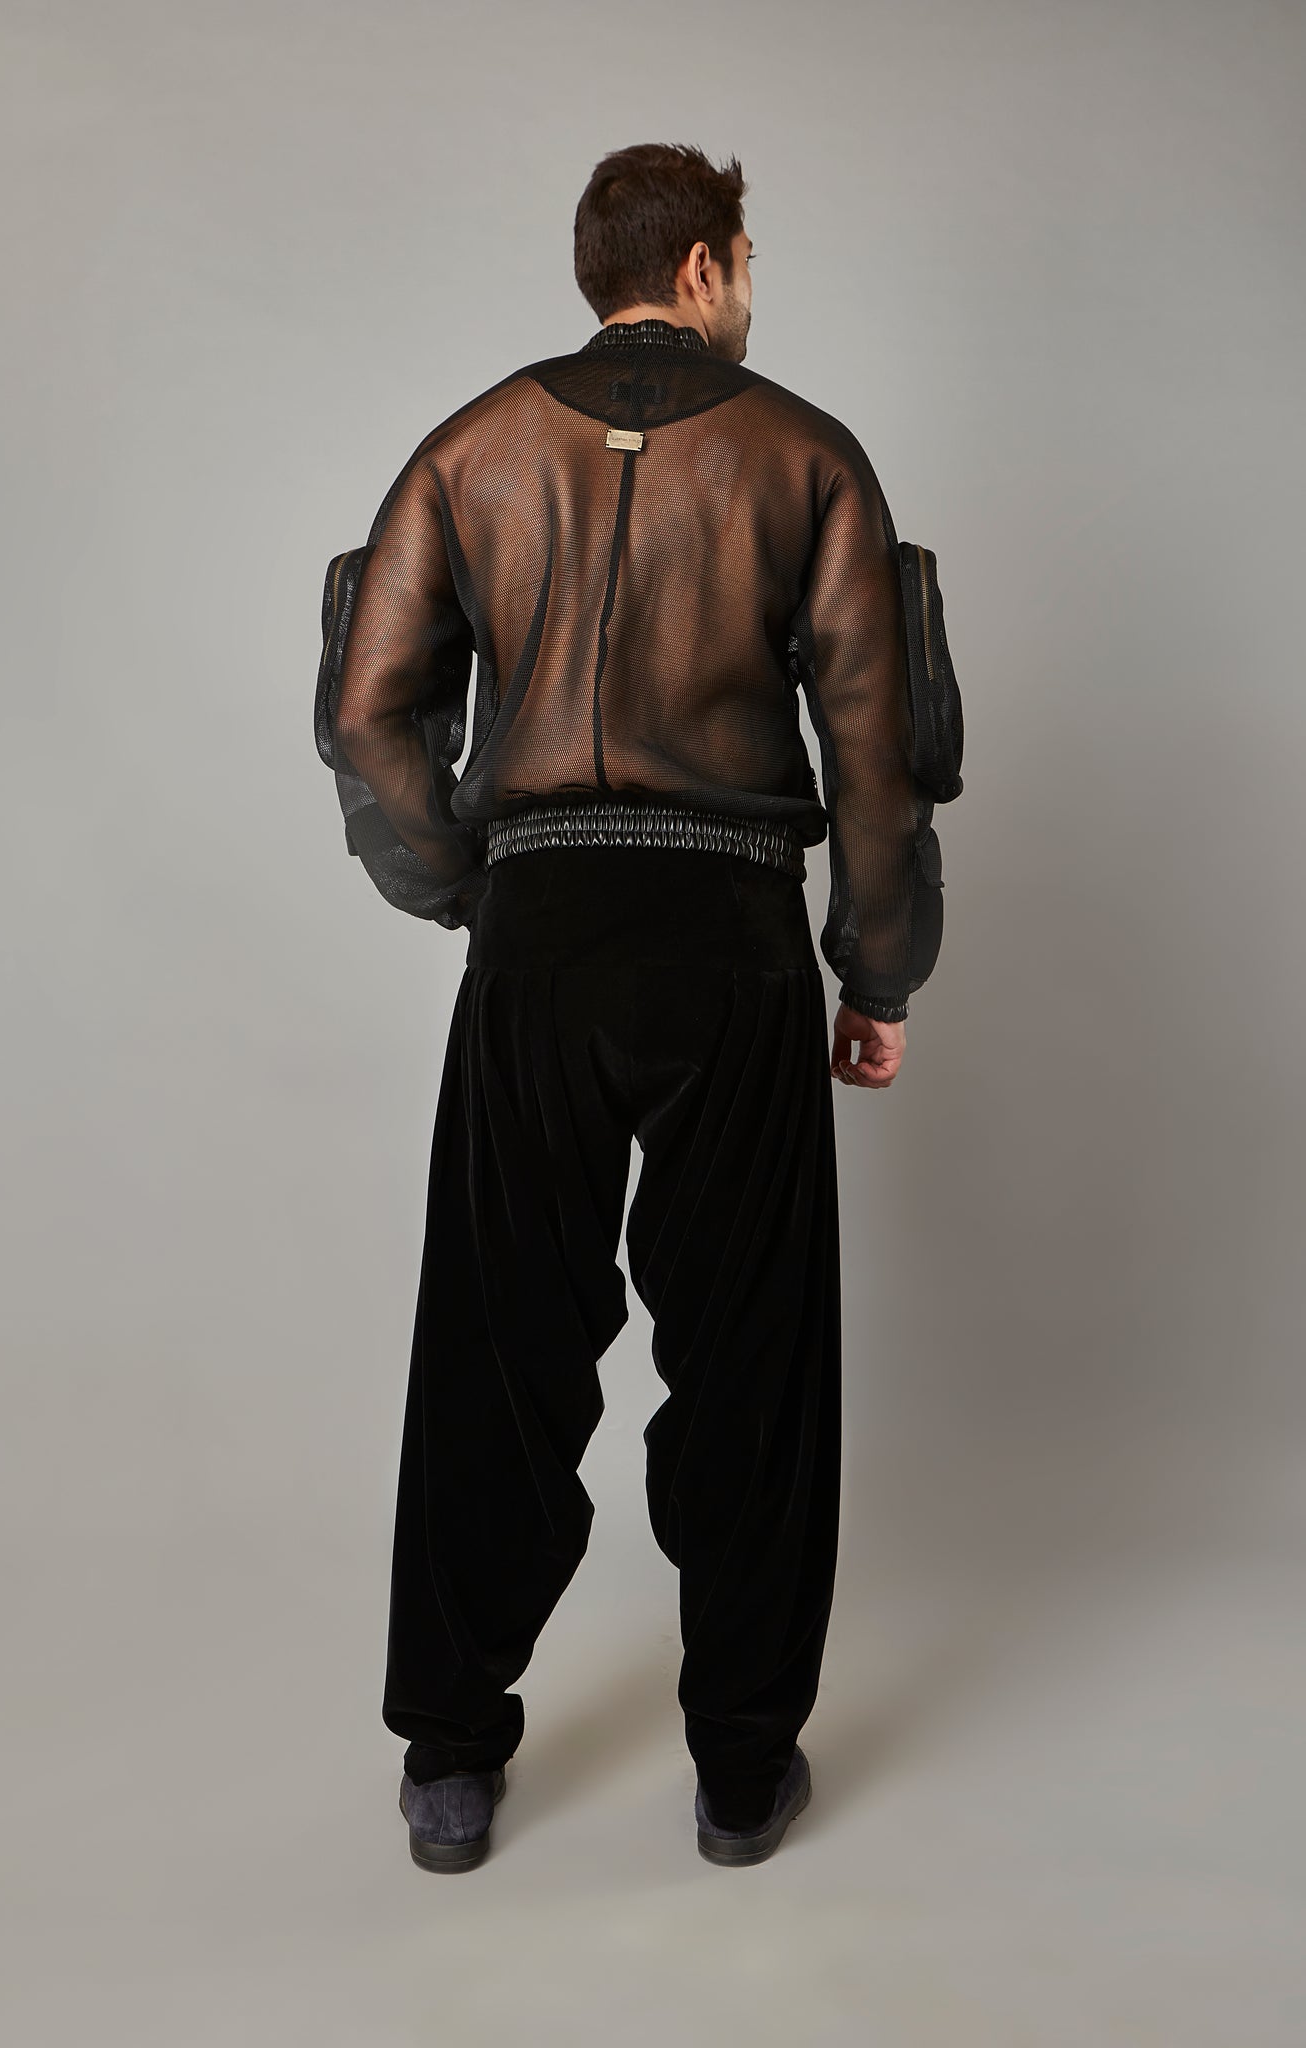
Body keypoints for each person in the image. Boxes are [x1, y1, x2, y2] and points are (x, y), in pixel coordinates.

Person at [324, 142, 947, 1872]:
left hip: (539, 936)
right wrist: (874, 972)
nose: (747, 294)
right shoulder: (805, 454)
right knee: (749, 1359)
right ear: (700, 266)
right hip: (730, 938)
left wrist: (477, 891)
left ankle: (450, 1763)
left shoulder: (466, 449)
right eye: (744, 264)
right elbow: (879, 752)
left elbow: (369, 714)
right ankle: (741, 1774)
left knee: (495, 1346)